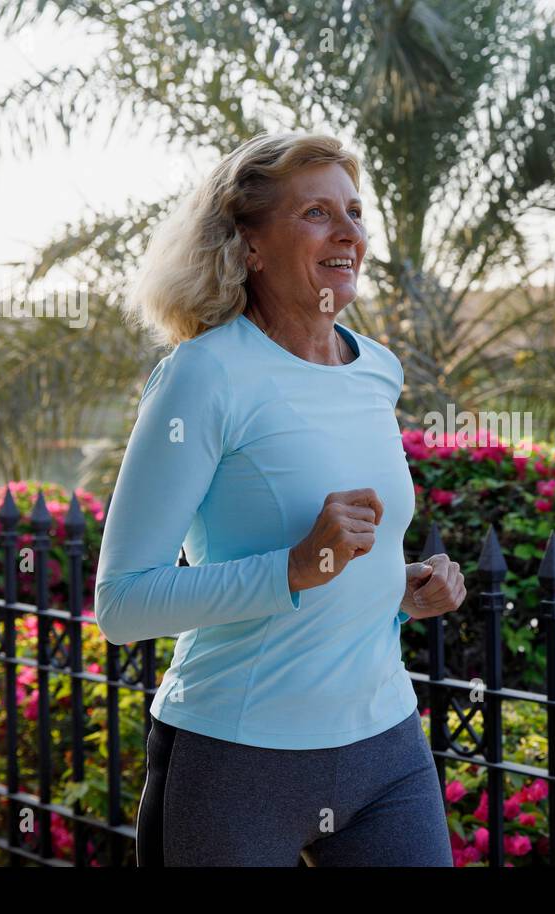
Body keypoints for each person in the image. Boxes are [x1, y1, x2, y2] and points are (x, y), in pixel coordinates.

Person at [94, 130, 465, 866]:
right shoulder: (204, 376)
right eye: (317, 214)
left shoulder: (376, 370)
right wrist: (293, 569)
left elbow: (348, 553)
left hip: (384, 745)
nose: (349, 233)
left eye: (355, 213)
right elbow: (123, 603)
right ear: (248, 245)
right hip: (236, 759)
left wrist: (395, 592)